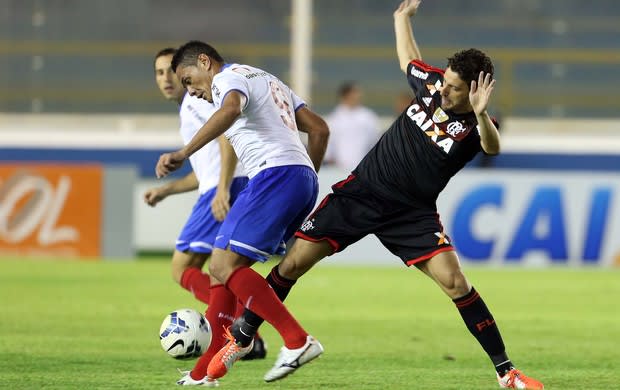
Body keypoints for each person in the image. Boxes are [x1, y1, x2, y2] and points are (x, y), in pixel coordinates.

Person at [222, 1, 545, 388]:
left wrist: (478, 113)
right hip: (361, 193)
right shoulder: (433, 85)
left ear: (475, 90)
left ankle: (506, 372)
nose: (444, 89)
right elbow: (410, 60)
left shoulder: (478, 125)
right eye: (446, 80)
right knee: (292, 265)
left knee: (456, 282)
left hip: (412, 214)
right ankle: (241, 338)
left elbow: (492, 148)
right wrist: (400, 18)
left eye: (456, 87)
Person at [154, 40, 330, 385]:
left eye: (189, 80)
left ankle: (298, 340)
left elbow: (231, 109)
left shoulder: (225, 80)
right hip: (297, 177)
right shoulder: (267, 79)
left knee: (220, 265)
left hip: (272, 175)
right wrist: (306, 175)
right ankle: (207, 369)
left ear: (204, 62)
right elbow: (320, 129)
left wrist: (183, 152)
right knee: (222, 272)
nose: (192, 91)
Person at [147, 48, 266, 383]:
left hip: (222, 189)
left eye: (171, 71)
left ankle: (242, 331)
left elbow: (227, 135)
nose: (166, 79)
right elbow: (202, 170)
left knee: (185, 268)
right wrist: (166, 190)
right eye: (158, 73)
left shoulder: (197, 100)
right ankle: (244, 333)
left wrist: (224, 188)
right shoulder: (191, 105)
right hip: (218, 186)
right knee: (217, 271)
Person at [324, 81, 380, 171]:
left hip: (363, 169)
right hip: (338, 170)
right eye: (354, 93)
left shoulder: (368, 116)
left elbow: (374, 142)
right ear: (345, 95)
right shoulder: (333, 119)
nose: (358, 96)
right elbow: (328, 145)